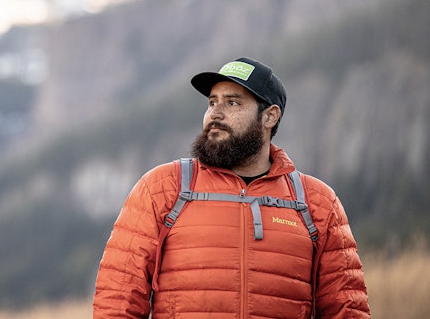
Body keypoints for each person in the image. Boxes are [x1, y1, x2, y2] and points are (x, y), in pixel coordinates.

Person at [93, 57, 370, 318]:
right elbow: (118, 301)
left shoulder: (317, 203)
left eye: (233, 103)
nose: (215, 113)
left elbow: (346, 310)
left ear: (270, 117)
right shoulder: (163, 188)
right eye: (212, 102)